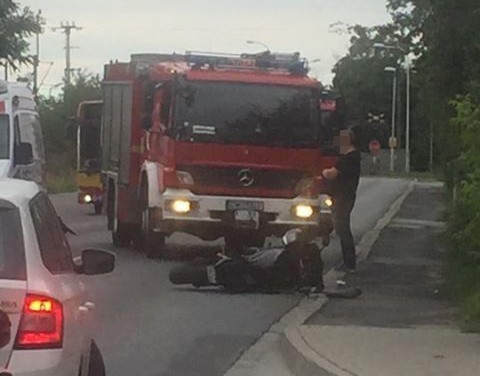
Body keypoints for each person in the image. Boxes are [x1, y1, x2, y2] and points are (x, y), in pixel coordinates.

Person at [322, 129, 361, 272]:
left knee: (342, 228)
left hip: (343, 197)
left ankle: (349, 262)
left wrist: (323, 172)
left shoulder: (348, 158)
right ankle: (348, 261)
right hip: (344, 196)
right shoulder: (350, 157)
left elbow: (332, 174)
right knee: (340, 227)